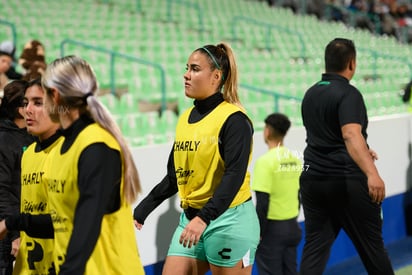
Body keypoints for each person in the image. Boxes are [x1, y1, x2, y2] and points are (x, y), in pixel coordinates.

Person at [0, 55, 145, 275]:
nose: (29, 109)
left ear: (55, 97)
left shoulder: (97, 146)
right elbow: (62, 222)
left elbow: (86, 227)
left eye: (40, 100)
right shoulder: (63, 148)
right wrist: (11, 223)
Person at [133, 42, 260, 275]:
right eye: (186, 68)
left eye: (194, 69)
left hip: (229, 221)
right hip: (191, 219)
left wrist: (204, 218)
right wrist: (144, 207)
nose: (186, 74)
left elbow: (234, 176)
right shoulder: (185, 118)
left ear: (216, 76)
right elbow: (174, 176)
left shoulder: (235, 120)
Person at [299, 38, 394, 275]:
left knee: (314, 250)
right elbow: (351, 134)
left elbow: (328, 136)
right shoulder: (349, 94)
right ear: (351, 63)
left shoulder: (310, 93)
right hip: (346, 182)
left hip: (313, 181)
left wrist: (363, 149)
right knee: (373, 249)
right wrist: (372, 173)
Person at [10, 78, 62, 275]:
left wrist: (11, 223)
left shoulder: (70, 152)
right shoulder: (29, 153)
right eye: (25, 103)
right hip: (29, 265)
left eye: (38, 103)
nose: (28, 110)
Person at [251, 113, 302, 275]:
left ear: (267, 131)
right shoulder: (295, 159)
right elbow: (299, 194)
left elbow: (263, 203)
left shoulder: (264, 162)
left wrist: (258, 233)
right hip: (292, 227)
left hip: (272, 232)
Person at [0, 80, 35, 275]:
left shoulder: (31, 135)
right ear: (20, 108)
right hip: (7, 234)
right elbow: (2, 190)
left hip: (25, 226)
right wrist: (13, 233)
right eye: (30, 102)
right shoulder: (4, 139)